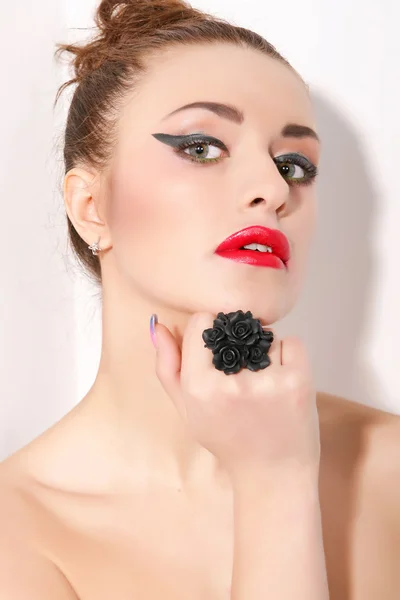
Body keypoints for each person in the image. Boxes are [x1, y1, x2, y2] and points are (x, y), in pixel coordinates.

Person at [1, 0, 399, 598]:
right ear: (91, 207)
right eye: (202, 148)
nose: (271, 189)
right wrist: (275, 483)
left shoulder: (391, 467)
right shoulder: (20, 529)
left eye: (293, 164)